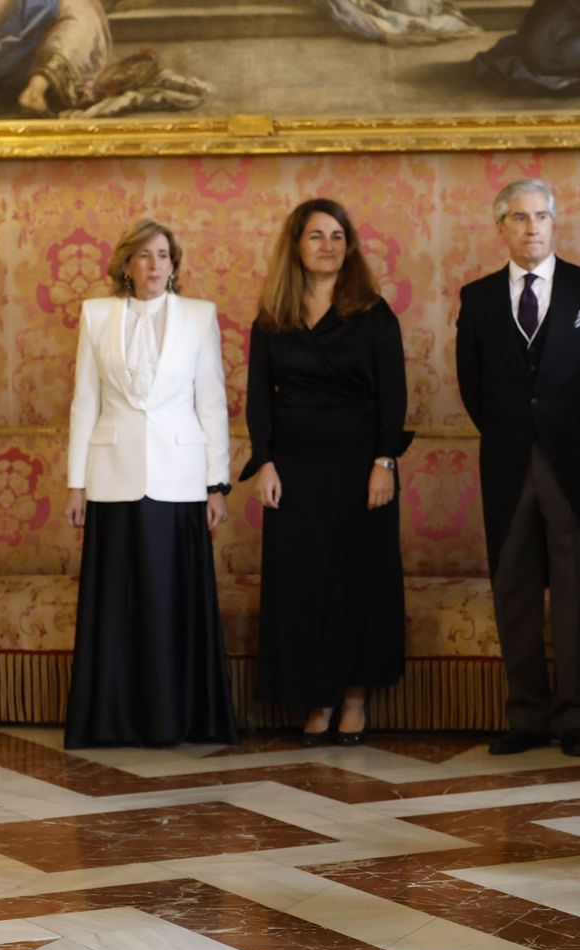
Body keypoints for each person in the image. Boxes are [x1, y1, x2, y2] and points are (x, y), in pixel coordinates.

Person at [455, 179, 580, 759]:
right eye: (521, 218)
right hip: (507, 462)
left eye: (542, 217)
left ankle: (576, 717)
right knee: (516, 587)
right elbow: (472, 387)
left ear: (555, 224)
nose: (533, 228)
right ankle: (526, 715)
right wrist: (512, 437)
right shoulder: (476, 299)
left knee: (576, 587)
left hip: (573, 462)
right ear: (501, 226)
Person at [242, 198, 411, 746]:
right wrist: (263, 460)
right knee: (302, 587)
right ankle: (315, 698)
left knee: (360, 583)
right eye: (316, 236)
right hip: (292, 471)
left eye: (338, 236)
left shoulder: (373, 312)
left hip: (362, 468)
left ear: (350, 246)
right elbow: (257, 401)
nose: (328, 245)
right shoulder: (271, 318)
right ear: (296, 245)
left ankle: (355, 699)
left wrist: (384, 462)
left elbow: (394, 397)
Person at [63, 219, 236, 749]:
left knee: (170, 602)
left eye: (163, 255)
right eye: (144, 255)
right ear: (126, 265)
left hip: (180, 481)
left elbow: (211, 401)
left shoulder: (199, 317)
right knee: (117, 605)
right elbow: (84, 402)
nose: (155, 264)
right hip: (111, 478)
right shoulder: (95, 315)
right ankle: (112, 721)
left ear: (174, 264)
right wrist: (76, 484)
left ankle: (177, 719)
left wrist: (217, 484)